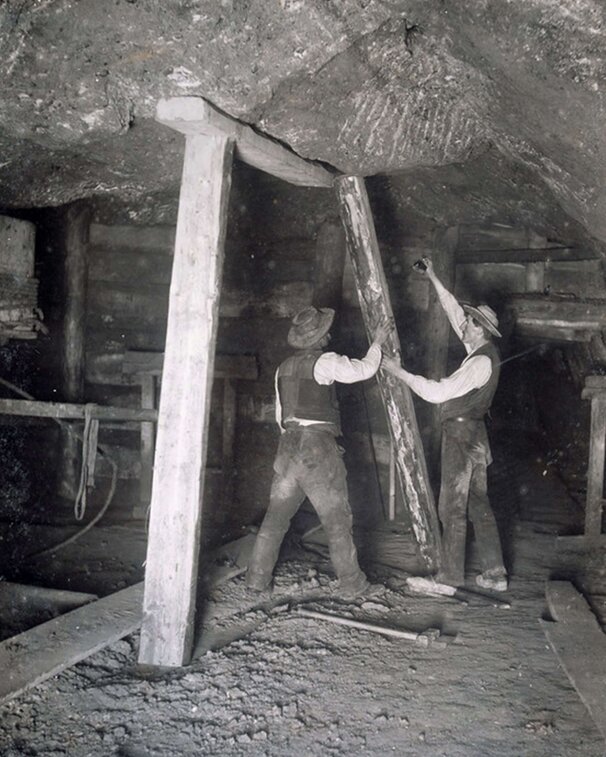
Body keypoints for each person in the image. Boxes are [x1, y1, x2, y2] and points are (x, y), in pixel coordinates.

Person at [246, 305, 393, 600]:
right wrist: (377, 342)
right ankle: (352, 584)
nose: (328, 337)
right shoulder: (326, 361)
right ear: (321, 337)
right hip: (317, 448)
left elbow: (280, 417)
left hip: (287, 448)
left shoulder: (282, 368)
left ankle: (256, 582)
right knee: (337, 520)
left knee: (274, 520)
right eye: (326, 332)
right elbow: (364, 370)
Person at [381, 257, 508, 592]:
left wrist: (398, 373)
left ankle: (449, 578)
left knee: (451, 505)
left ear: (478, 328)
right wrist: (434, 277)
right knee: (479, 503)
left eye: (469, 321)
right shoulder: (481, 350)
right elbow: (454, 312)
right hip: (477, 437)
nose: (462, 323)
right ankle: (495, 574)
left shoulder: (477, 364)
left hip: (462, 436)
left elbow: (437, 393)